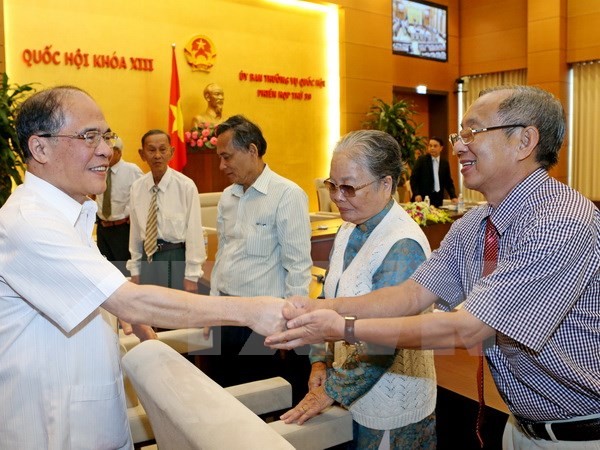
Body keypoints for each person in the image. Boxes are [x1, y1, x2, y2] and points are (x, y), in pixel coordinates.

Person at [267, 85, 600, 449]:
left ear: (524, 141)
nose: (457, 145)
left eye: (472, 132)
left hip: (580, 432)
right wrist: (319, 309)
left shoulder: (561, 221)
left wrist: (344, 327)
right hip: (521, 426)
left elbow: (468, 330)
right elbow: (411, 294)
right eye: (460, 134)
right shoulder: (474, 225)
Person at [0, 85, 287, 449]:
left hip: (87, 418)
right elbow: (126, 300)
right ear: (40, 148)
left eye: (105, 135)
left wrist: (152, 343)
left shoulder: (70, 214)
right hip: (52, 429)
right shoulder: (29, 221)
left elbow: (108, 296)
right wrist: (251, 310)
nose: (105, 148)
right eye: (89, 136)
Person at [281, 130, 437, 449]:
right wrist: (319, 360)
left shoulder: (402, 245)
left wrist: (331, 390)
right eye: (332, 185)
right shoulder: (349, 228)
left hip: (392, 406)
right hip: (352, 393)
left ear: (386, 183)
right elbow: (329, 301)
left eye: (349, 187)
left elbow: (385, 340)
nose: (338, 197)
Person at [207, 114, 313, 396]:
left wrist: (291, 325)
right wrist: (212, 308)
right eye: (220, 157)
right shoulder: (227, 197)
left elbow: (298, 266)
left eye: (227, 157)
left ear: (252, 150)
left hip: (263, 322)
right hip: (226, 315)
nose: (222, 166)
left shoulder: (287, 195)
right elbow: (223, 255)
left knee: (261, 399)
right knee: (227, 394)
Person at [127, 129, 205, 293]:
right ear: (142, 154)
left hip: (175, 257)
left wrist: (192, 275)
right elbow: (135, 232)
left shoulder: (185, 186)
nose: (157, 155)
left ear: (172, 152)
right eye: (151, 150)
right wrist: (135, 270)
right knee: (149, 311)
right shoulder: (137, 188)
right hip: (147, 259)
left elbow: (194, 233)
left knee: (175, 312)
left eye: (162, 149)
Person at [94, 137, 143, 275]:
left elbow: (143, 198)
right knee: (105, 272)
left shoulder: (132, 170)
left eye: (109, 150)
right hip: (103, 229)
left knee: (124, 272)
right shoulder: (98, 169)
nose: (105, 154)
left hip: (123, 230)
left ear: (119, 152)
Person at [410, 136, 458, 207]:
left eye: (435, 146)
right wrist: (417, 194)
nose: (432, 148)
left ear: (441, 148)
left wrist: (453, 196)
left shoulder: (444, 163)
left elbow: (448, 182)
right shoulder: (422, 160)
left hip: (438, 199)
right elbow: (413, 179)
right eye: (430, 146)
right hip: (422, 199)